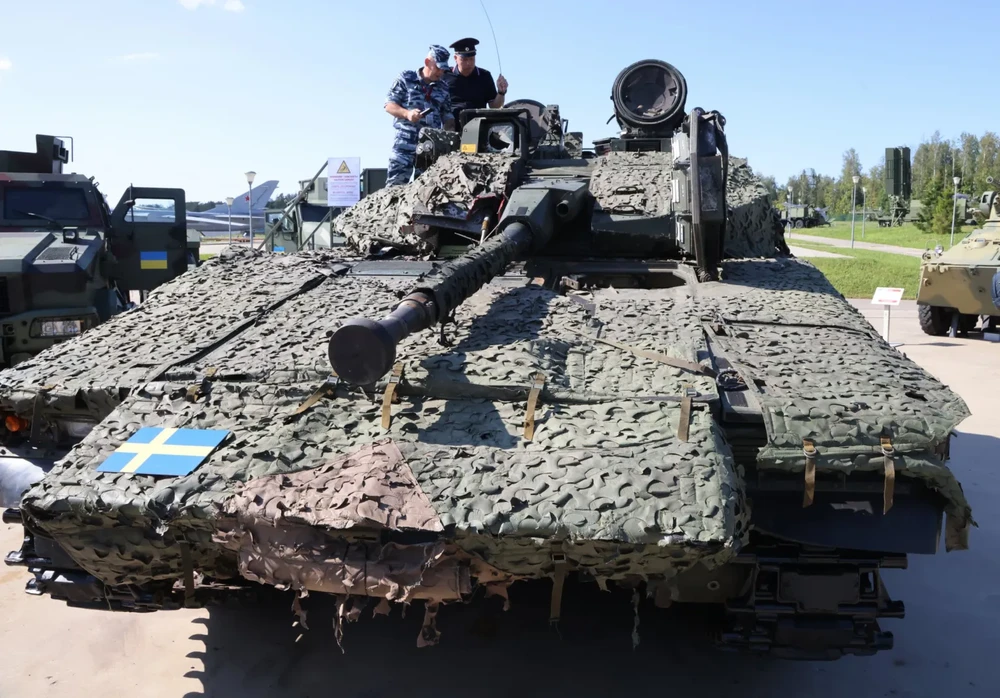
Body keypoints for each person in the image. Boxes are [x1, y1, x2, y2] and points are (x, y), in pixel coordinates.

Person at [384, 45, 456, 186]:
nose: (441, 72)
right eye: (438, 67)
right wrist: (407, 113)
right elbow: (389, 105)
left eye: (443, 69)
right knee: (395, 187)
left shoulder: (443, 88)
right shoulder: (406, 78)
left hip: (430, 146)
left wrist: (450, 136)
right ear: (427, 62)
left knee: (425, 189)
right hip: (405, 143)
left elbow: (447, 115)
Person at [442, 37, 508, 128]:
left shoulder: (484, 76)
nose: (469, 63)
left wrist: (501, 92)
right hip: (451, 129)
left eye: (472, 59)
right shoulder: (444, 75)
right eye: (464, 60)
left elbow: (495, 106)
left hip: (478, 128)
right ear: (455, 58)